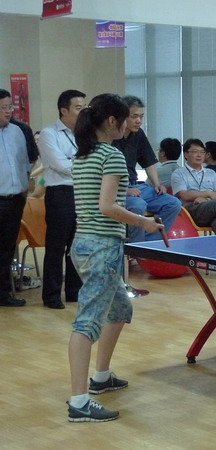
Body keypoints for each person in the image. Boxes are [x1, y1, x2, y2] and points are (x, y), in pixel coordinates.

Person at [67, 93, 163, 422]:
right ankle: (79, 402)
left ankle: (101, 377)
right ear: (112, 122)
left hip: (83, 244)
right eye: (126, 119)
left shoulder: (83, 154)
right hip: (101, 247)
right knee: (87, 323)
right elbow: (107, 207)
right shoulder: (111, 155)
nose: (130, 124)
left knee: (120, 309)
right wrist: (143, 222)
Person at [38, 89, 87, 309]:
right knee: (56, 247)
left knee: (77, 245)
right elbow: (60, 165)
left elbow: (89, 161)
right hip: (60, 194)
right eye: (78, 108)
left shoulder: (85, 133)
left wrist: (74, 161)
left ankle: (74, 292)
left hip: (82, 193)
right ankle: (51, 295)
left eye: (84, 107)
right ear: (63, 110)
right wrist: (82, 164)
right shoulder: (49, 134)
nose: (83, 111)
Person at [171, 139, 216, 280]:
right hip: (191, 212)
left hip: (212, 210)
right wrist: (207, 194)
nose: (199, 155)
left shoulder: (211, 173)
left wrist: (205, 199)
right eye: (195, 152)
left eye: (202, 152)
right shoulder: (179, 173)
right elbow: (184, 195)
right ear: (186, 154)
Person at [111, 95, 180, 243]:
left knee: (173, 203)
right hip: (118, 189)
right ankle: (136, 247)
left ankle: (148, 243)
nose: (139, 121)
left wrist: (157, 184)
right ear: (122, 116)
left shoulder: (139, 134)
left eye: (141, 116)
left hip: (136, 186)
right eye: (134, 116)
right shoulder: (110, 136)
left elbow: (148, 162)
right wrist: (124, 190)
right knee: (138, 205)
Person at [0, 89, 29, 307]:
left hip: (15, 199)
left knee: (7, 248)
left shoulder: (18, 131)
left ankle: (3, 294)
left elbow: (25, 165)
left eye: (10, 106)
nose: (8, 111)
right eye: (3, 107)